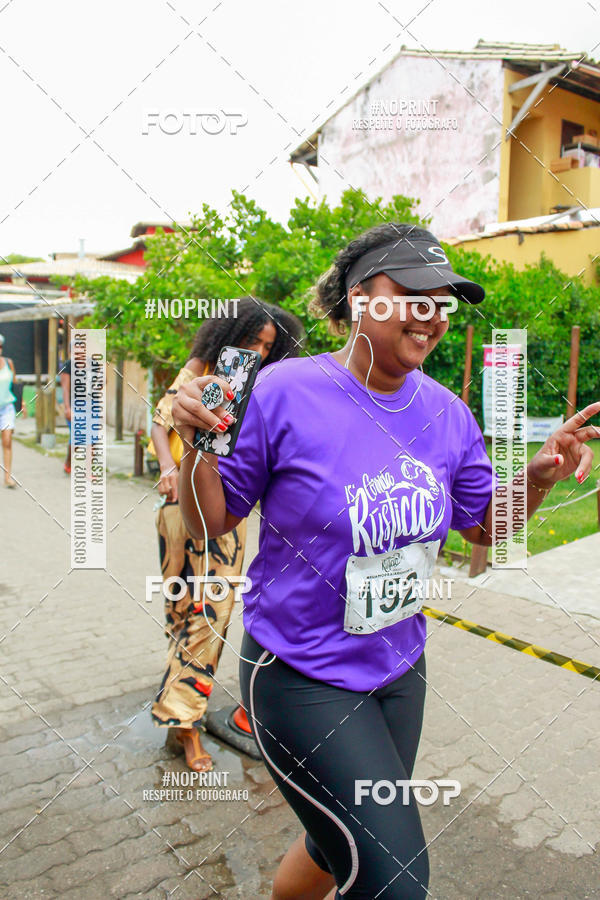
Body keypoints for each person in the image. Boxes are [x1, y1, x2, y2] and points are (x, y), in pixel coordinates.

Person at [172, 224, 600, 898]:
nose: (430, 315)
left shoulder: (448, 414)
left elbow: (485, 525)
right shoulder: (284, 391)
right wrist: (196, 448)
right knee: (394, 878)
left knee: (330, 841)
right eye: (413, 294)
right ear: (359, 297)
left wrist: (539, 478)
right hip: (299, 673)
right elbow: (209, 521)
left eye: (442, 301)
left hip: (399, 671)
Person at [150, 296, 303, 773]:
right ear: (228, 336)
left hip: (225, 522)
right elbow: (160, 422)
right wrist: (167, 467)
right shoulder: (200, 370)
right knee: (181, 615)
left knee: (208, 619)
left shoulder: (260, 388)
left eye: (267, 346)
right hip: (176, 513)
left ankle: (187, 725)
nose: (257, 352)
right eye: (251, 340)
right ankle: (180, 719)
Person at [0, 333, 19, 488]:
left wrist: (22, 403)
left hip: (7, 408)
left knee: (7, 440)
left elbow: (15, 384)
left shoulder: (8, 363)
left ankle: (7, 476)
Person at [58, 358, 72, 474]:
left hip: (91, 406)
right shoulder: (68, 365)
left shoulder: (93, 363)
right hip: (75, 405)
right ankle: (69, 462)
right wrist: (67, 408)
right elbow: (65, 389)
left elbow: (103, 382)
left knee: (91, 440)